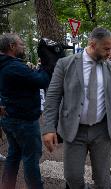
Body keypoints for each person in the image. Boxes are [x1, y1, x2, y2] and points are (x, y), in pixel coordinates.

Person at [42, 27, 111, 189]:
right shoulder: (65, 64)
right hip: (74, 131)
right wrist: (49, 127)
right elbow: (52, 98)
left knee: (103, 179)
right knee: (72, 176)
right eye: (106, 48)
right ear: (92, 44)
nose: (109, 52)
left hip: (101, 131)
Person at [0, 33, 50, 189]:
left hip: (9, 117)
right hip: (24, 120)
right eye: (21, 44)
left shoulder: (5, 64)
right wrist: (45, 65)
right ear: (12, 47)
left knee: (14, 155)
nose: (24, 46)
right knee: (30, 158)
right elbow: (42, 81)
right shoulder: (14, 66)